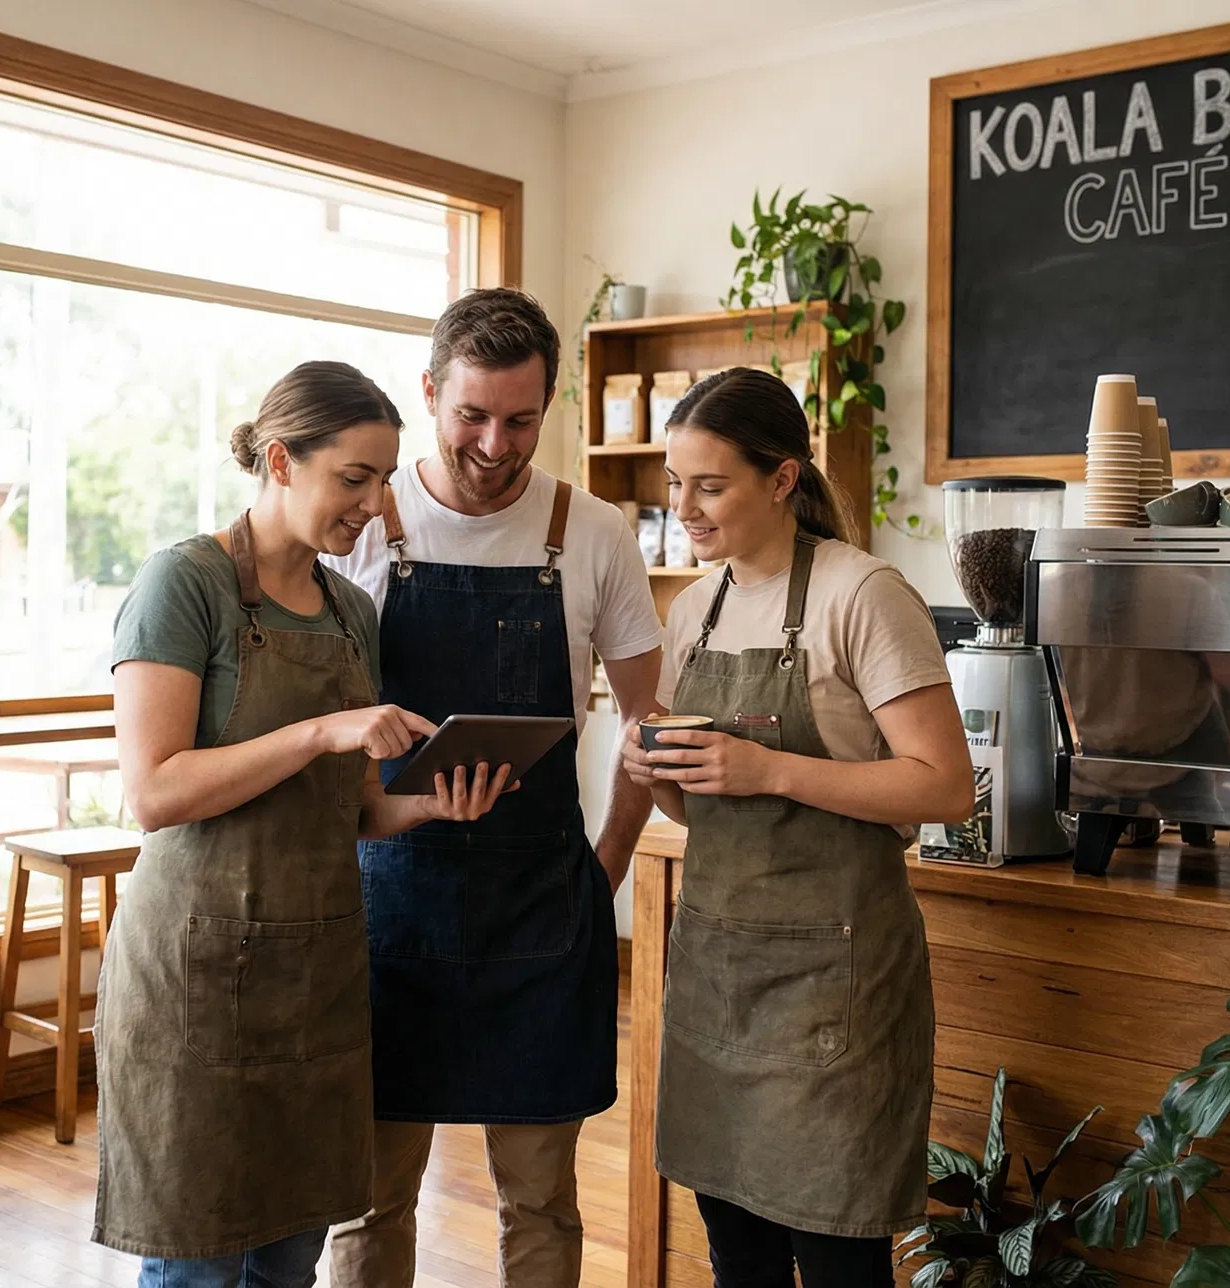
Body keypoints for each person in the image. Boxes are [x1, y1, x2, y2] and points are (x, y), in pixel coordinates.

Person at [95, 361, 516, 1288]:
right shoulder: (186, 584)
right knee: (198, 1263)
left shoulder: (351, 611)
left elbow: (354, 808)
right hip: (196, 979)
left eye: (383, 480)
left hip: (314, 979)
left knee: (289, 1260)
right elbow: (156, 791)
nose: (372, 503)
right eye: (353, 478)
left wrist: (435, 802)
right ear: (281, 461)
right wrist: (323, 727)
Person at [328, 289, 664, 1288]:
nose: (493, 443)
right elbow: (323, 719)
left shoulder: (593, 531)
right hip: (390, 905)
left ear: (550, 404)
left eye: (520, 419)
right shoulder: (367, 524)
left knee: (542, 1203)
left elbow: (648, 730)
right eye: (471, 414)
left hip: (538, 913)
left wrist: (601, 866)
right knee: (371, 1200)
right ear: (429, 392)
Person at [620, 367, 974, 1288]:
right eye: (674, 484)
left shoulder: (864, 594)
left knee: (837, 1258)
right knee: (736, 1259)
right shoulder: (693, 609)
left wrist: (769, 767)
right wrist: (658, 772)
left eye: (710, 485)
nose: (685, 510)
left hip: (834, 992)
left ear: (781, 481)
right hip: (718, 981)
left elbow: (944, 787)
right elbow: (703, 809)